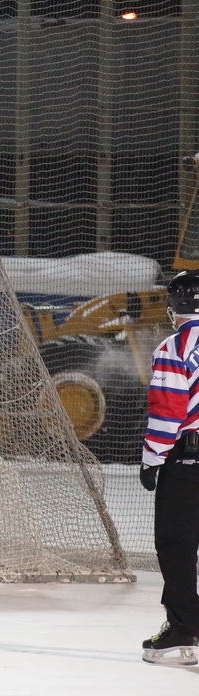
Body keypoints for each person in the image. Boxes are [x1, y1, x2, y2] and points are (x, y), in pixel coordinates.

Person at [137, 269, 199, 667]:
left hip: (189, 461)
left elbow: (168, 410)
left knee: (177, 544)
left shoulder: (175, 345)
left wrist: (151, 458)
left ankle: (184, 629)